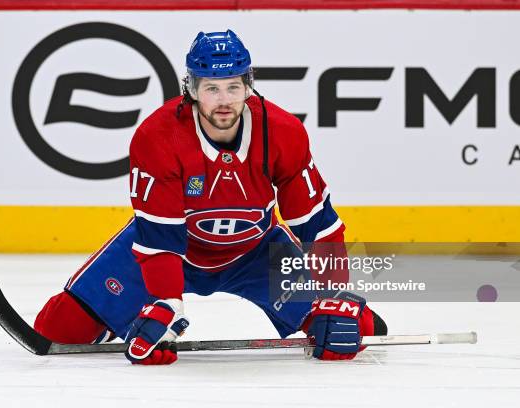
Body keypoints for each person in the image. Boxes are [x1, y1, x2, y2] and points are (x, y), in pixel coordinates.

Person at [33, 30, 386, 365]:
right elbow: (159, 239)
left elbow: (318, 225)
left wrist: (335, 297)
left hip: (257, 252)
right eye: (212, 88)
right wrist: (165, 305)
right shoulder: (158, 137)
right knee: (59, 329)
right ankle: (115, 322)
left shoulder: (283, 133)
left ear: (249, 85)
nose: (224, 100)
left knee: (358, 330)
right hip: (176, 250)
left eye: (233, 86)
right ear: (191, 89)